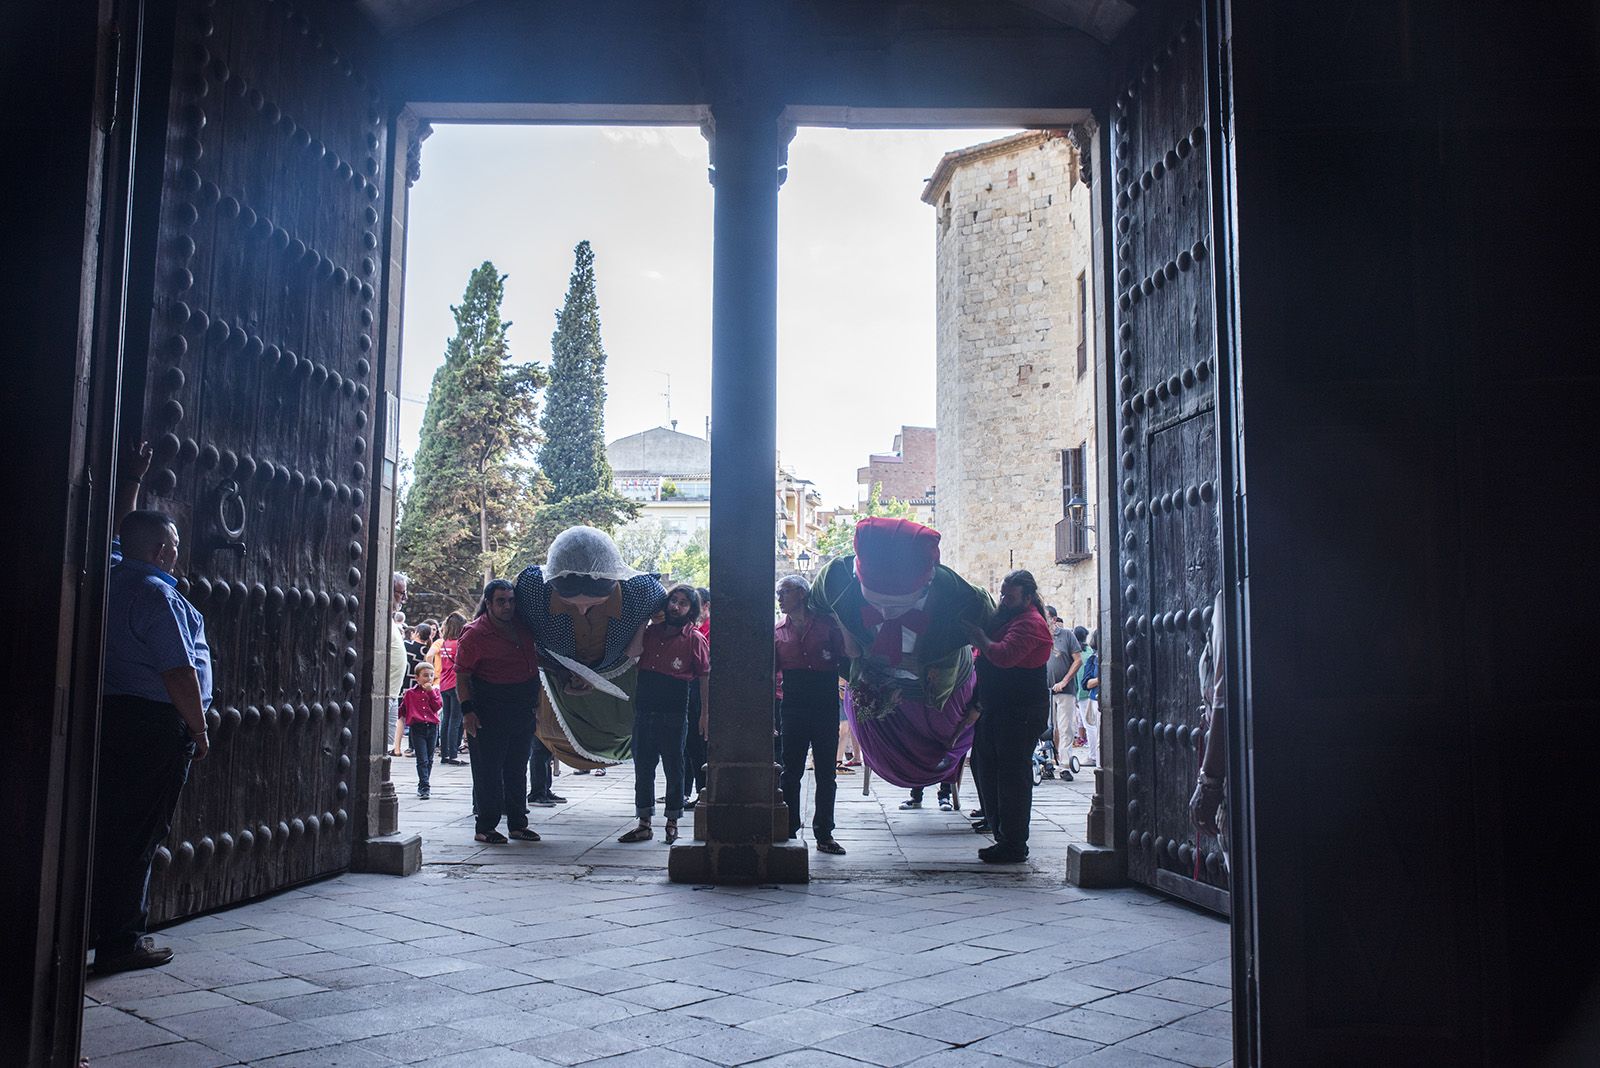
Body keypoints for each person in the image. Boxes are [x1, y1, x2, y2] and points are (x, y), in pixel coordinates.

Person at [91, 509, 212, 974]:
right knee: (140, 832)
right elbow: (178, 670)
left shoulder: (111, 577)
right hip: (157, 724)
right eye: (175, 546)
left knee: (112, 825)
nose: (178, 555)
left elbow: (122, 534)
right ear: (163, 551)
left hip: (116, 716)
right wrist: (198, 729)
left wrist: (131, 486)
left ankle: (97, 926)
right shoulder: (156, 595)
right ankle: (122, 940)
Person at [808, 517, 992, 795]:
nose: (888, 613)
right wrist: (844, 632)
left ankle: (942, 783)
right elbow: (813, 611)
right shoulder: (835, 580)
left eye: (899, 604)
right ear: (858, 577)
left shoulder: (964, 599)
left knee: (940, 744)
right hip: (874, 688)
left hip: (940, 696)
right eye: (878, 603)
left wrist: (979, 702)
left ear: (929, 580)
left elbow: (997, 641)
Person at [514, 526, 666, 771]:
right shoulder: (531, 591)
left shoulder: (643, 593)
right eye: (570, 604)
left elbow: (668, 634)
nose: (582, 610)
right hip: (556, 675)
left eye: (594, 604)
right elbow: (515, 642)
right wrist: (559, 671)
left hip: (621, 676)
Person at [964, 570, 1054, 864]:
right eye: (1002, 594)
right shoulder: (1010, 619)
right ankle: (1002, 833)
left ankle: (1014, 842)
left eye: (1009, 596)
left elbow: (1004, 655)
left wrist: (981, 639)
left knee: (1012, 777)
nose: (1003, 600)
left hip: (1020, 712)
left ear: (1027, 597)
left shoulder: (1030, 624)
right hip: (998, 709)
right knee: (984, 764)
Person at [619, 585, 709, 845]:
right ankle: (644, 823)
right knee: (643, 767)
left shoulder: (694, 638)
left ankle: (672, 822)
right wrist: (645, 619)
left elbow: (704, 677)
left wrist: (705, 714)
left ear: (691, 610)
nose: (676, 607)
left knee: (674, 767)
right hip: (645, 707)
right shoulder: (650, 633)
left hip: (674, 710)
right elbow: (633, 653)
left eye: (683, 604)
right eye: (673, 601)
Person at [456, 579, 542, 844]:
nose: (507, 606)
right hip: (489, 708)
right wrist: (468, 712)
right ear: (489, 603)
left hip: (521, 708)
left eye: (511, 600)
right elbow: (462, 676)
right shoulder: (475, 633)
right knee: (488, 771)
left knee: (516, 768)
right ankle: (486, 826)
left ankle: (518, 824)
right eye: (501, 601)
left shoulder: (522, 627)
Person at [774, 574, 848, 855]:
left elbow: (846, 655)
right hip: (792, 702)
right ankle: (789, 828)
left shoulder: (828, 624)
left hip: (824, 700)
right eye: (779, 593)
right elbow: (771, 675)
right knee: (790, 771)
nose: (780, 597)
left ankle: (824, 833)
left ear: (802, 594)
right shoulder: (778, 631)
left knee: (826, 772)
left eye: (785, 592)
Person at [678, 586, 711, 807]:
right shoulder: (692, 630)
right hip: (689, 693)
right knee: (691, 747)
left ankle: (704, 791)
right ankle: (695, 791)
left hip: (701, 695)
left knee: (699, 747)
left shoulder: (704, 633)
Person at [1045, 607, 1083, 779]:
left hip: (1064, 690)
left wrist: (1064, 681)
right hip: (1045, 690)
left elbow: (1078, 661)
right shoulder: (1040, 636)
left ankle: (1065, 765)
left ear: (1053, 619)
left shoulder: (1067, 635)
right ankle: (1050, 761)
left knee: (1065, 726)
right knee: (1046, 728)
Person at [400, 662, 442, 799]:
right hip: (417, 728)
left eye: (431, 675)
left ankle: (424, 782)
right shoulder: (410, 694)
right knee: (422, 758)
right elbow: (403, 710)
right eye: (425, 676)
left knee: (429, 758)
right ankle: (424, 786)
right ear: (417, 678)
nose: (429, 678)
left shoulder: (435, 692)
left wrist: (430, 693)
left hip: (432, 727)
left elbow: (437, 707)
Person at [432, 612, 467, 764]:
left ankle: (444, 753)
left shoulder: (444, 644)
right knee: (455, 720)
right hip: (456, 684)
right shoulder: (460, 644)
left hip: (444, 683)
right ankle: (453, 754)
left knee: (446, 719)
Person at [387, 574, 410, 757]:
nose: (405, 598)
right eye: (401, 593)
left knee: (386, 747)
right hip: (384, 693)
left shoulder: (390, 620)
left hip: (392, 692)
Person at [1073, 626, 1100, 768]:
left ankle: (1094, 756)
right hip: (1091, 694)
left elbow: (1080, 680)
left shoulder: (1081, 655)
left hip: (1086, 696)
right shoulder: (1090, 655)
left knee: (1090, 726)